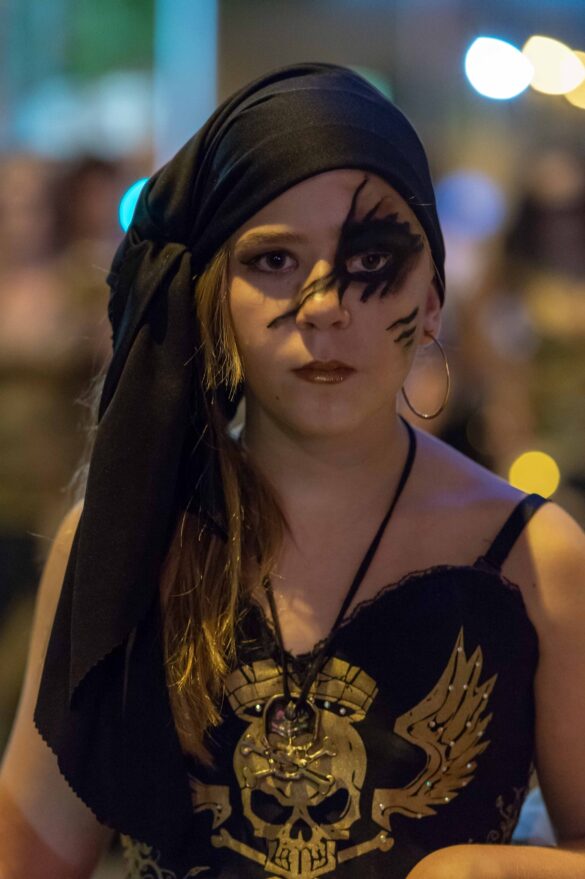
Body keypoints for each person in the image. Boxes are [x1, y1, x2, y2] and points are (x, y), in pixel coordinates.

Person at [1, 63, 584, 879]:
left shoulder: (537, 558)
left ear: (431, 299)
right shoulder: (129, 540)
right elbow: (28, 853)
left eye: (369, 258)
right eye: (274, 259)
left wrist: (486, 872)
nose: (323, 305)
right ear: (214, 296)